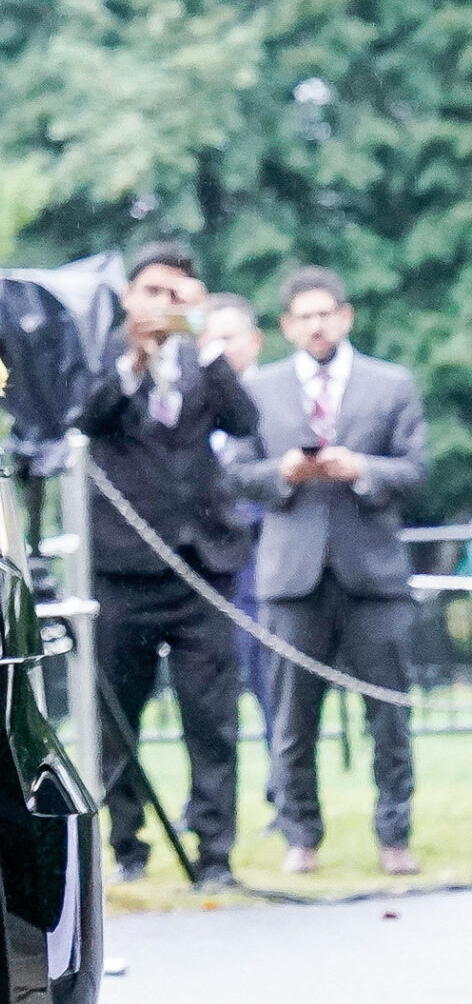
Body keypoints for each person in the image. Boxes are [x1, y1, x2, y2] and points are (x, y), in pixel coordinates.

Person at [229, 266, 428, 877]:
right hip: (293, 576)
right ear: (288, 327)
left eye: (326, 313)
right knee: (292, 719)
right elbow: (236, 470)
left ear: (345, 317)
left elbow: (418, 468)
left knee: (388, 712)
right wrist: (282, 473)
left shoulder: (390, 384)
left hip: (373, 574)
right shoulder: (258, 390)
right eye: (304, 317)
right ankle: (300, 835)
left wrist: (360, 468)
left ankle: (395, 836)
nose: (316, 325)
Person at [72, 242, 258, 885]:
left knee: (212, 718)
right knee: (118, 716)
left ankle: (214, 854)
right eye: (153, 290)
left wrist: (204, 340)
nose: (163, 303)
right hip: (124, 569)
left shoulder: (206, 360)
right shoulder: (102, 354)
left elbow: (243, 421)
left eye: (177, 292)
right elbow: (87, 419)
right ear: (130, 296)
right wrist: (134, 360)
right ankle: (127, 846)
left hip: (203, 565)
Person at [201, 293, 278, 743]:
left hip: (260, 556)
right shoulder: (187, 402)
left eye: (227, 337)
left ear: (254, 341)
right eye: (210, 339)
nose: (218, 348)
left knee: (268, 671)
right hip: (203, 561)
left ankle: (282, 787)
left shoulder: (274, 400)